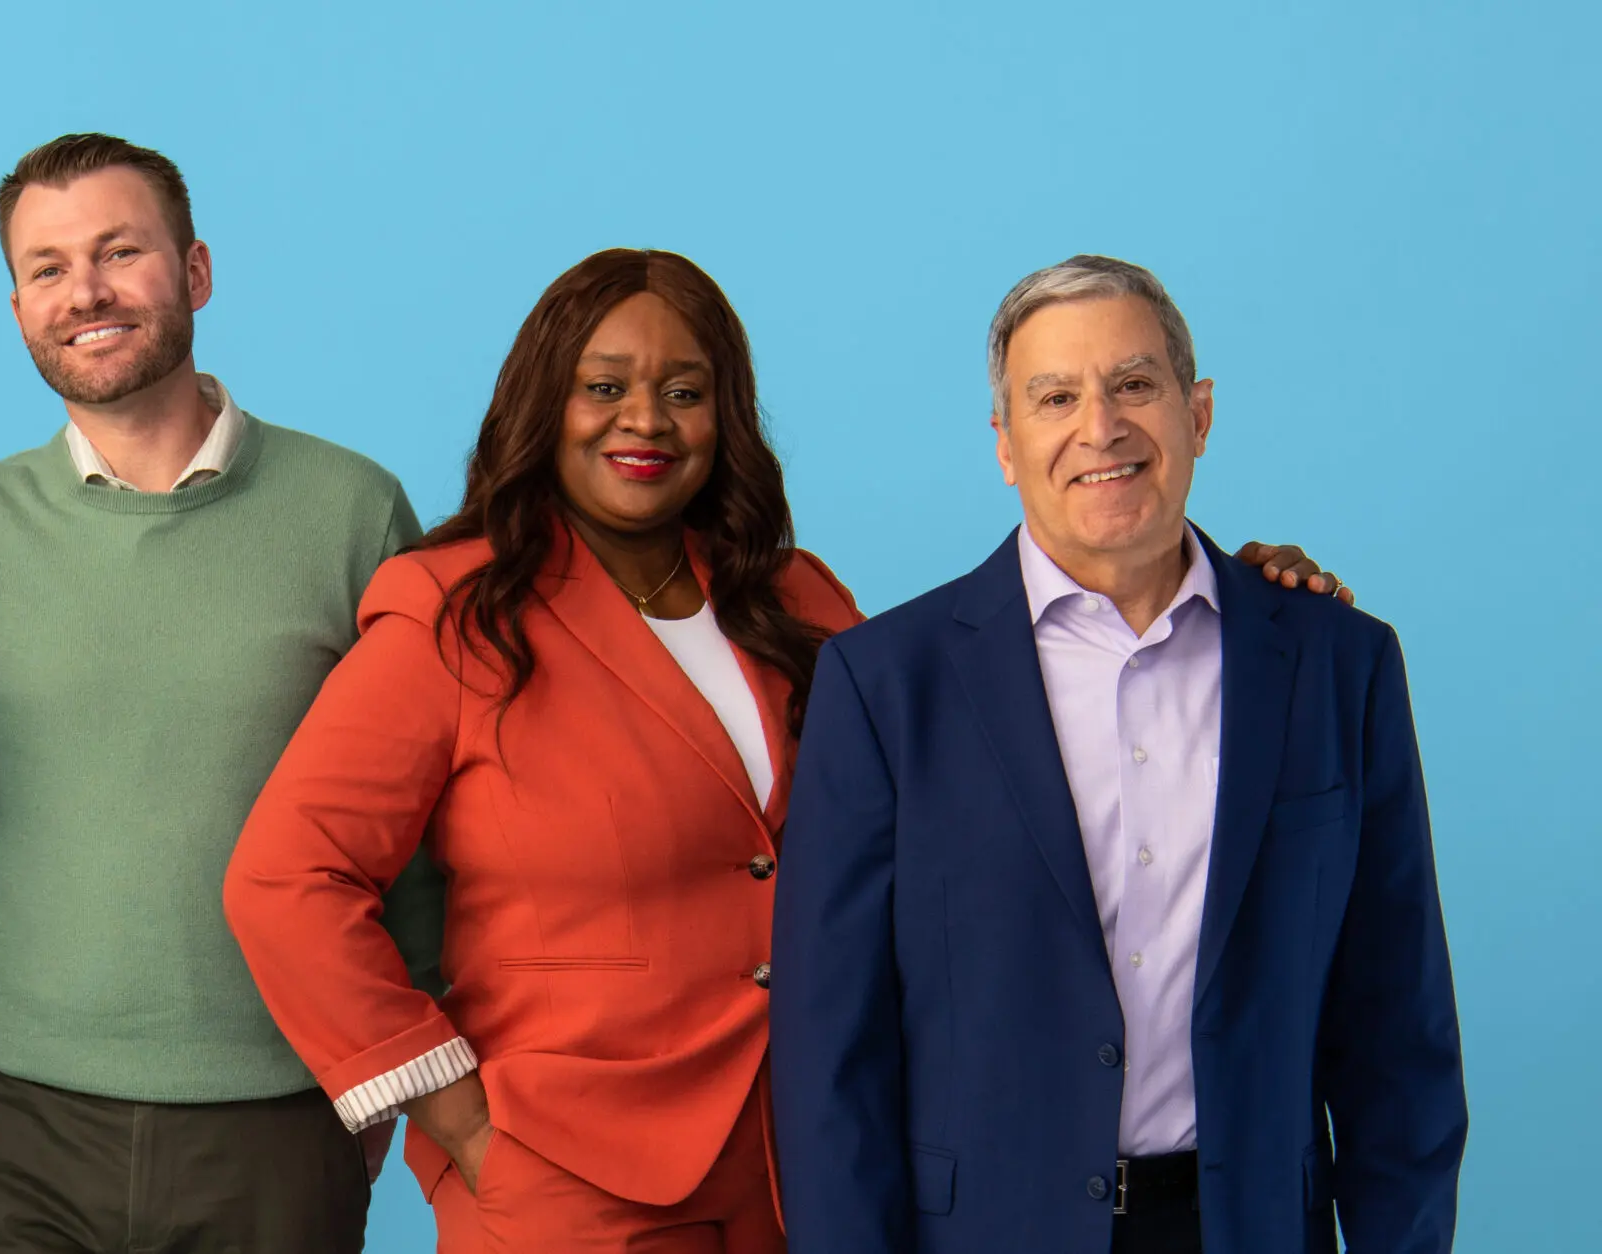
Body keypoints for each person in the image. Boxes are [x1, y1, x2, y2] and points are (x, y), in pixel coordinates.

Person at [219, 249, 1351, 1252]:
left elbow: (994, 708)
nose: (644, 421)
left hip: (798, 1166)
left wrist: (1231, 603)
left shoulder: (799, 603)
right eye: (603, 388)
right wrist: (449, 1105)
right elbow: (285, 877)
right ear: (540, 404)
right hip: (570, 1179)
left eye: (684, 391)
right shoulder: (452, 612)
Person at [0, 133, 444, 1251]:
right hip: (6, 1131)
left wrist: (385, 1075)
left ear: (195, 273)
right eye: (48, 268)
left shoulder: (348, 508)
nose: (86, 293)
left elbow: (422, 811)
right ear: (16, 307)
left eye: (120, 252)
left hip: (277, 1119)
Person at [771, 255, 1466, 1254]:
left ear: (1200, 413)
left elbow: (1399, 1036)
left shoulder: (1334, 664)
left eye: (1133, 384)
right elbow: (828, 1063)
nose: (1100, 428)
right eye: (1054, 397)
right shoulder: (885, 686)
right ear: (1005, 445)